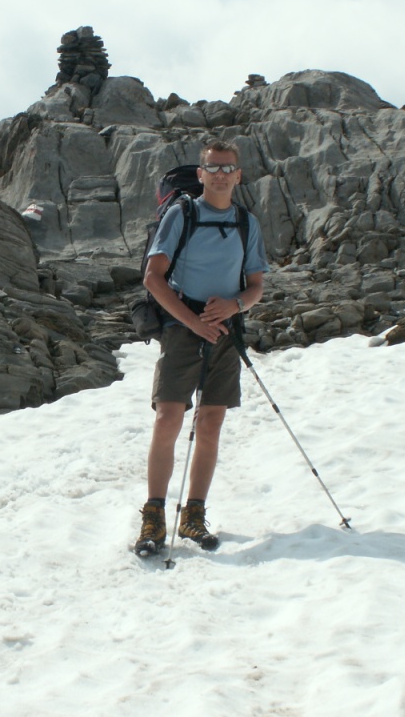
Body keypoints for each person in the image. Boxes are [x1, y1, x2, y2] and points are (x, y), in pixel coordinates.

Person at [134, 139, 269, 556]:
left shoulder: (247, 223)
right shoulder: (182, 215)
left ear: (239, 175)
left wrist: (235, 305)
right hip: (182, 328)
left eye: (228, 169)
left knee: (210, 423)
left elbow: (257, 286)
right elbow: (153, 278)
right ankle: (154, 518)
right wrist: (193, 322)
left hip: (225, 330)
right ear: (201, 174)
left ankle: (193, 515)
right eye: (214, 168)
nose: (221, 175)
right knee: (169, 417)